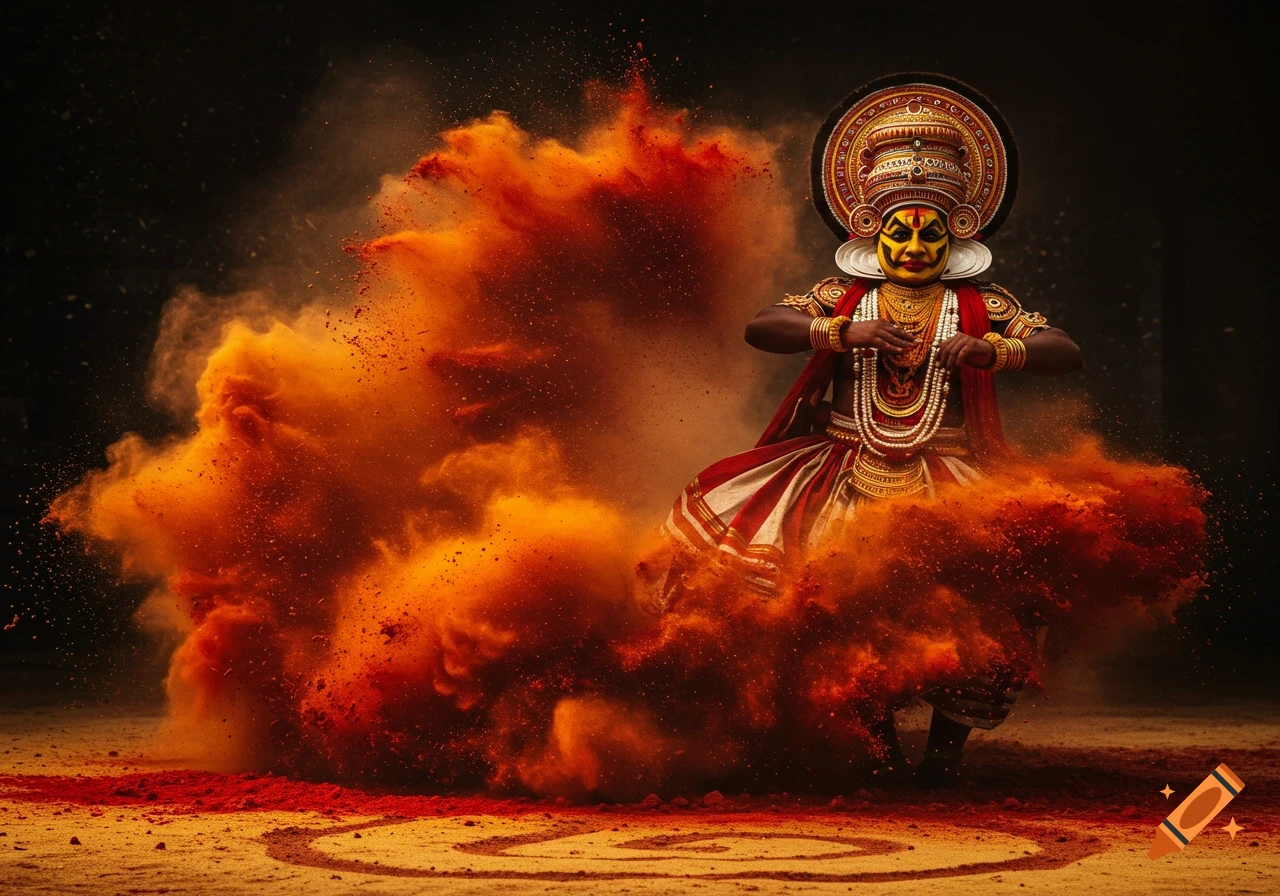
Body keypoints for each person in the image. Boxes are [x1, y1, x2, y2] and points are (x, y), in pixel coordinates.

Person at [660, 74, 1081, 787]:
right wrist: (838, 331)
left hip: (949, 479)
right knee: (839, 610)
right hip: (841, 472)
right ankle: (875, 745)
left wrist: (998, 350)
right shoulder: (844, 297)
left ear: (956, 234)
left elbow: (1064, 350)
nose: (914, 246)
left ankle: (943, 757)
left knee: (982, 609)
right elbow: (762, 326)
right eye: (899, 232)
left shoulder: (981, 304)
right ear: (871, 233)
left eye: (930, 233)